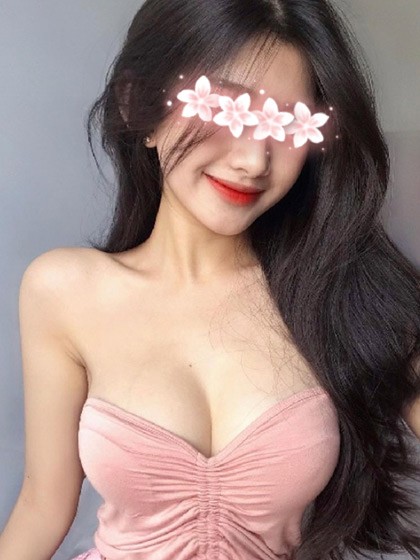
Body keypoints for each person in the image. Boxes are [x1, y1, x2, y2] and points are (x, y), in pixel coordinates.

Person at [1, 0, 419, 559]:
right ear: (138, 106)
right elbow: (41, 508)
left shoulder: (347, 298)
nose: (253, 160)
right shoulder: (64, 290)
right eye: (226, 108)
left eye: (286, 125)